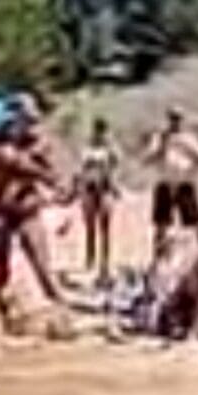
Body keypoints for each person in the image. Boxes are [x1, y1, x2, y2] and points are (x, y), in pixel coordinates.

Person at [0, 99, 68, 332]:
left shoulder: (37, 143)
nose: (32, 125)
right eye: (28, 120)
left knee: (42, 266)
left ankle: (61, 315)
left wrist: (50, 179)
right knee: (2, 271)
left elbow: (53, 174)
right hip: (2, 209)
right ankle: (9, 319)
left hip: (27, 209)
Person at [144, 106, 198, 253]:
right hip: (165, 183)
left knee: (195, 221)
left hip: (184, 183)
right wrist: (160, 149)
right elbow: (148, 157)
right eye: (172, 118)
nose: (175, 122)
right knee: (161, 223)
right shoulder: (160, 137)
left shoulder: (188, 138)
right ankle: (158, 254)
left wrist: (192, 168)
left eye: (178, 118)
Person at [75, 118, 122, 281]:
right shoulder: (88, 148)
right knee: (90, 227)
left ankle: (104, 261)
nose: (101, 133)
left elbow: (116, 163)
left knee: (105, 227)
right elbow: (82, 167)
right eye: (99, 130)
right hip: (90, 189)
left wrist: (110, 146)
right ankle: (90, 258)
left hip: (105, 189)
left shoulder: (110, 148)